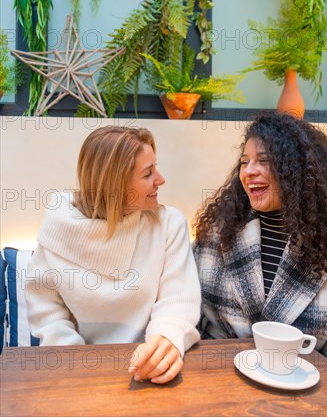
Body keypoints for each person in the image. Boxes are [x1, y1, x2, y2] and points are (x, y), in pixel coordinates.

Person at [193, 112, 327, 380]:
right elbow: (194, 321)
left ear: (298, 170)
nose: (249, 171)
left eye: (264, 160)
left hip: (309, 393)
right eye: (244, 162)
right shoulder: (218, 234)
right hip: (218, 381)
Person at [25, 126, 201, 384]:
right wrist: (80, 367)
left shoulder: (168, 224)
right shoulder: (58, 228)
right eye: (148, 173)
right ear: (115, 184)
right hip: (77, 373)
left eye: (156, 167)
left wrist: (166, 339)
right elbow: (48, 315)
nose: (160, 179)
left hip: (149, 372)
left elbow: (178, 300)